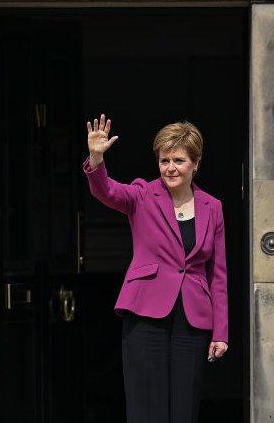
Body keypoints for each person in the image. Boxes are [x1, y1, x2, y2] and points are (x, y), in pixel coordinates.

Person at [82, 114, 228, 423]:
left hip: (192, 317)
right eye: (164, 161)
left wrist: (221, 331)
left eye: (178, 160)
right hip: (146, 314)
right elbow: (106, 191)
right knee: (146, 406)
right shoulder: (143, 195)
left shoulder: (212, 207)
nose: (170, 168)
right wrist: (96, 159)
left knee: (184, 409)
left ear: (195, 163)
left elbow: (218, 275)